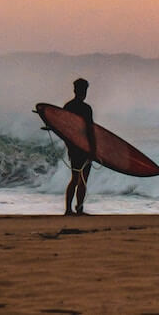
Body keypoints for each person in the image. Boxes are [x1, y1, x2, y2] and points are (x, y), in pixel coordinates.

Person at [63, 78, 96, 216]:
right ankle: (79, 209)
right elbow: (90, 130)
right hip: (84, 148)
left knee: (74, 178)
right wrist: (93, 150)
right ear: (85, 91)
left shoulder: (67, 106)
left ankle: (68, 209)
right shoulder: (86, 109)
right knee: (83, 179)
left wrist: (69, 147)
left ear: (74, 90)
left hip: (74, 148)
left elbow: (64, 129)